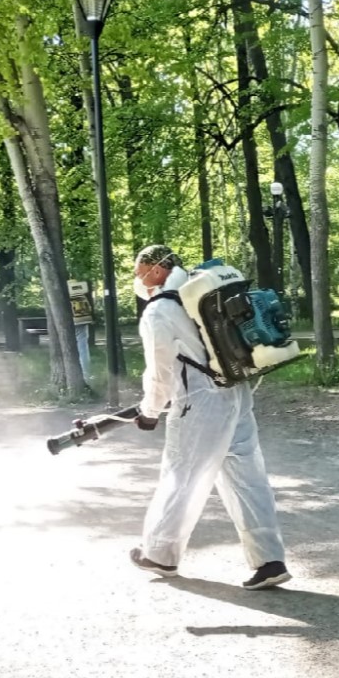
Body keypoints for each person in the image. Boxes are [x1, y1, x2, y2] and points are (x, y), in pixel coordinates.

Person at [129, 244, 291, 590]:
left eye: (139, 269)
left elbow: (161, 371)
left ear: (157, 270)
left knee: (181, 475)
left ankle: (160, 553)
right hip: (235, 393)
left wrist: (150, 411)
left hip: (199, 404)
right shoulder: (202, 293)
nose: (136, 277)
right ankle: (270, 561)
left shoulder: (159, 311)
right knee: (248, 479)